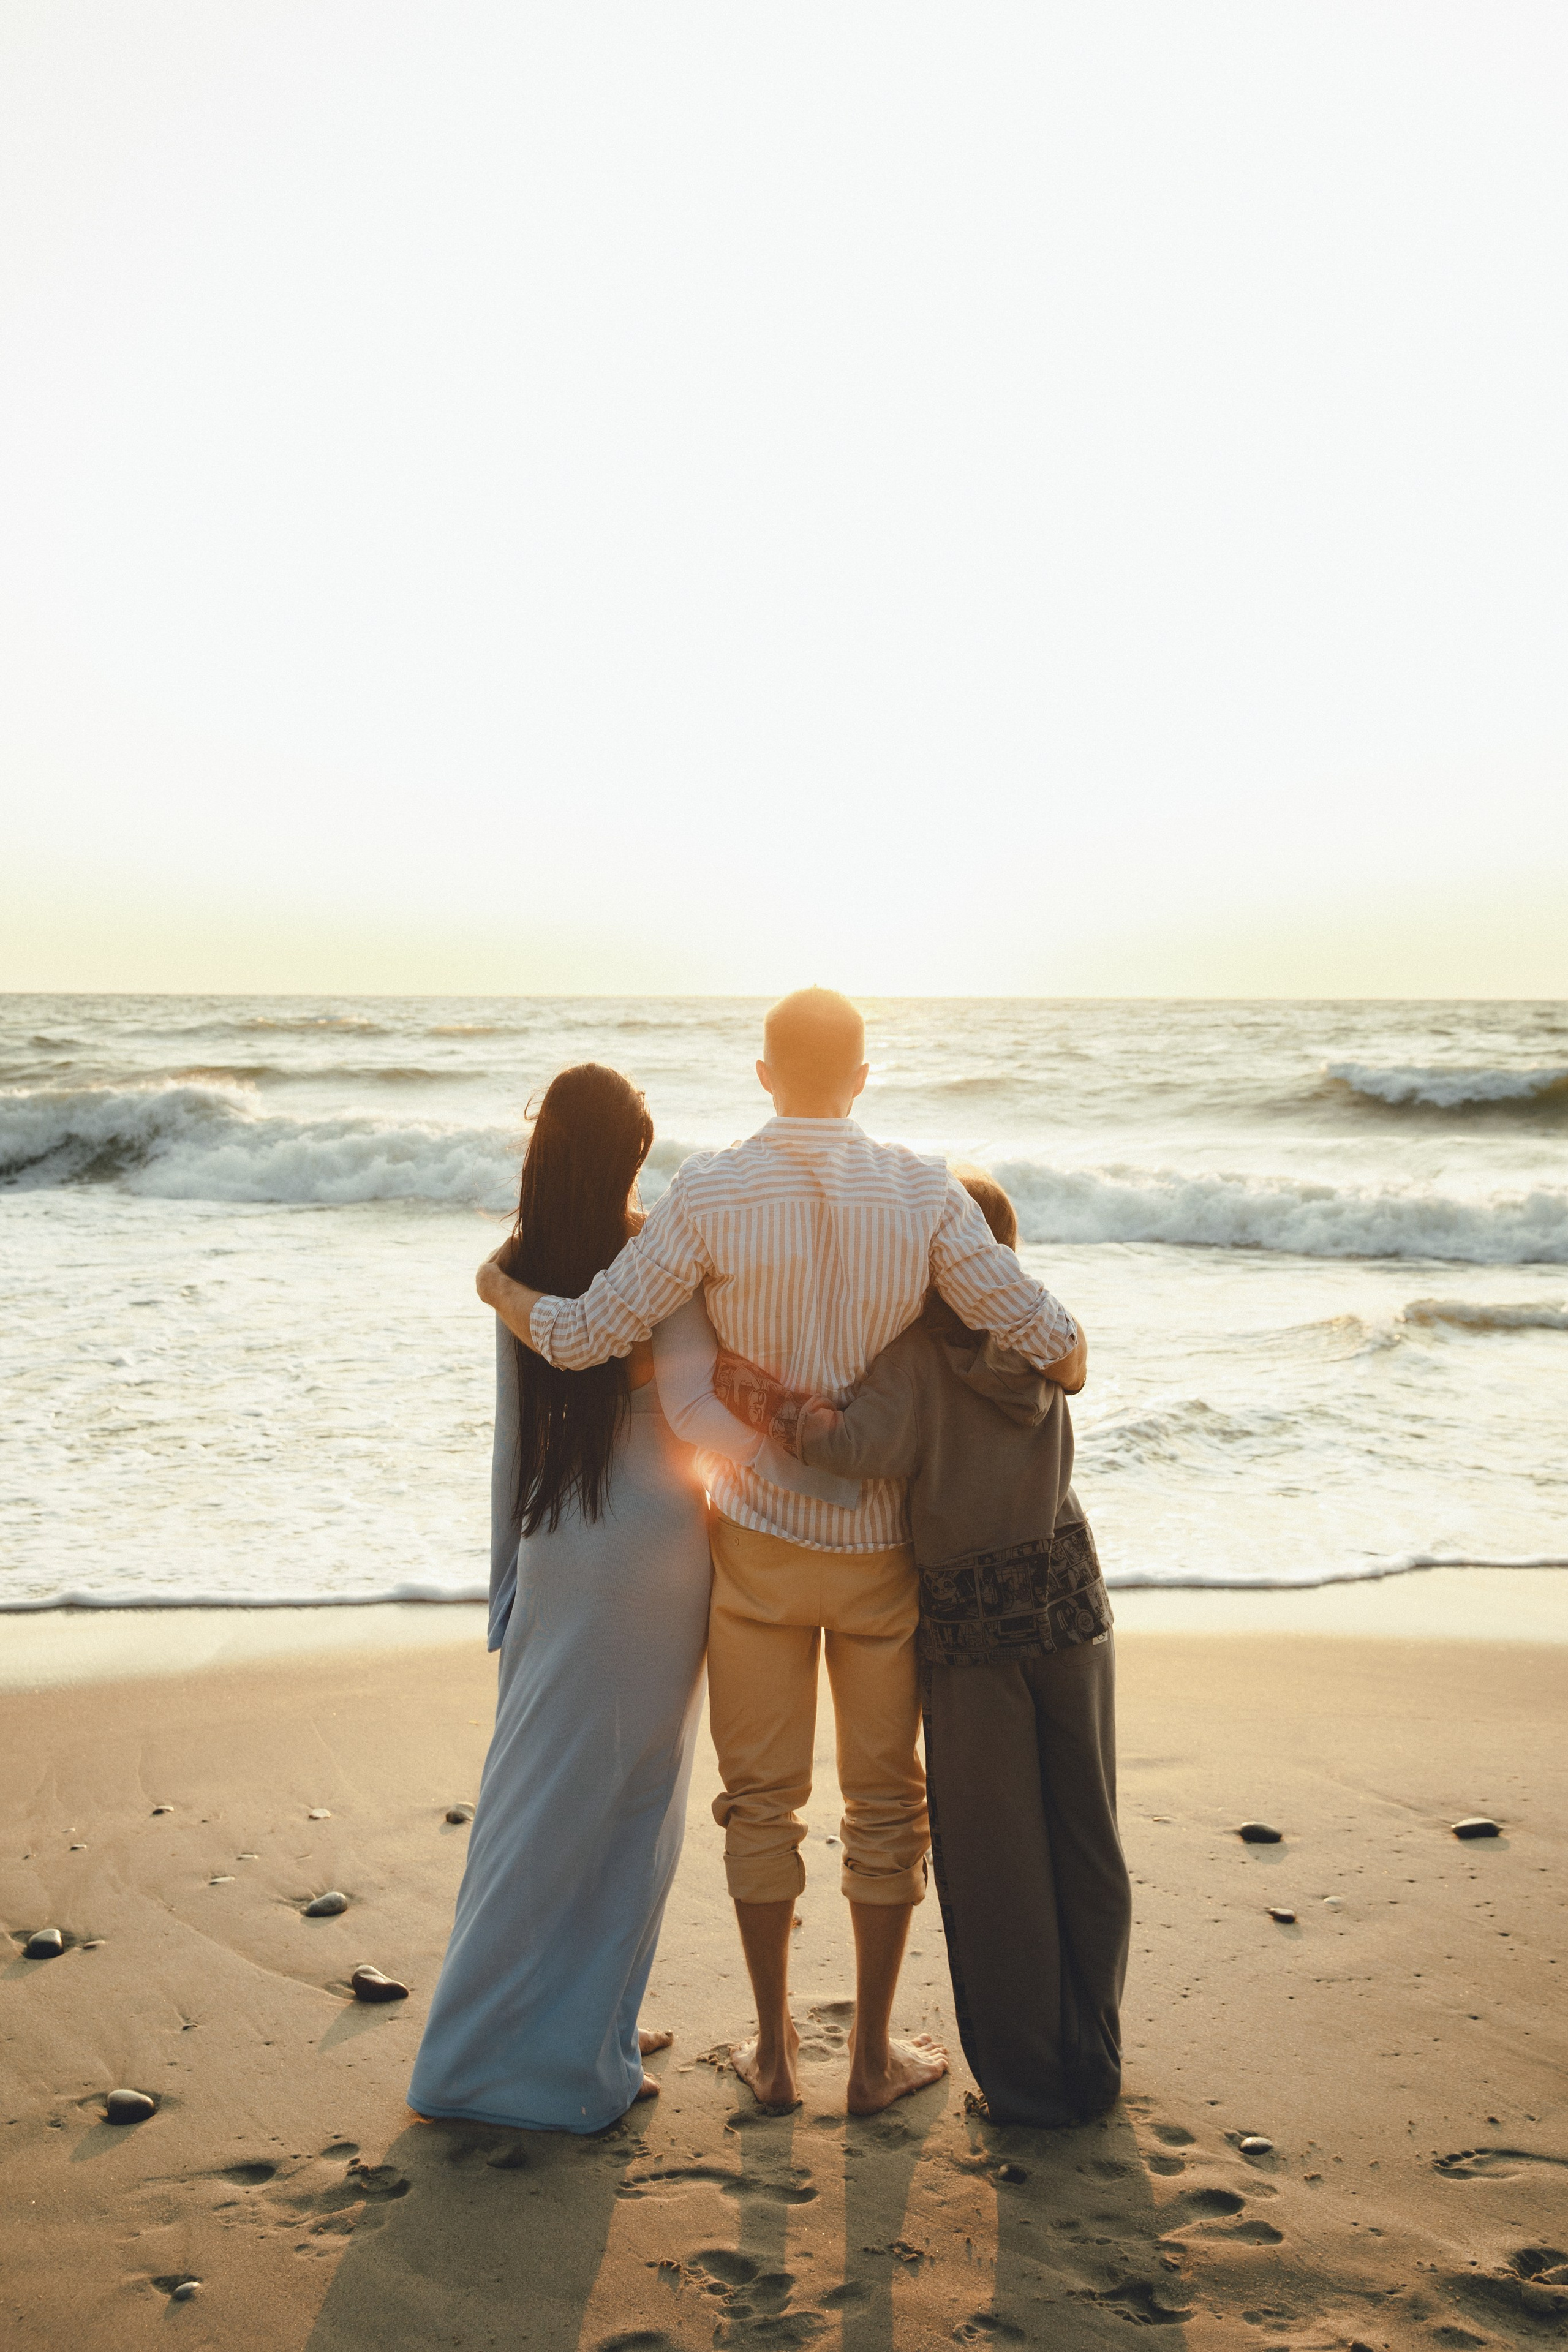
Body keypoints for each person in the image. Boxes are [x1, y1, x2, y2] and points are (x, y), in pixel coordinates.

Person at [476, 990, 1085, 2116]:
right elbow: (1056, 1345)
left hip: (757, 1548)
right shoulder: (926, 1190)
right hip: (884, 1554)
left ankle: (772, 2056)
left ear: (765, 1074)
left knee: (759, 1806)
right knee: (887, 1808)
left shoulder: (709, 1193)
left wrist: (498, 1284)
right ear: (864, 1075)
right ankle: (872, 2062)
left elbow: (578, 1338)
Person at [409, 1063, 850, 2136]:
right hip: (652, 1552)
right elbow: (695, 1412)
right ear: (630, 1158)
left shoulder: (518, 1269)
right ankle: (554, 2054)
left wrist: (506, 1584)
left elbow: (514, 1443)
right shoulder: (657, 1256)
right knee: (632, 1805)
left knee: (532, 1803)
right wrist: (802, 1467)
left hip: (556, 1549)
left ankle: (581, 2024)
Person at [715, 1168, 1131, 2129]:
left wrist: (754, 1391)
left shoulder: (915, 1361)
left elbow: (844, 1447)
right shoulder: (1042, 1343)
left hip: (975, 1627)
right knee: (1085, 1832)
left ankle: (1031, 2076)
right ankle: (1093, 2049)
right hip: (1071, 1603)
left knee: (998, 1853)